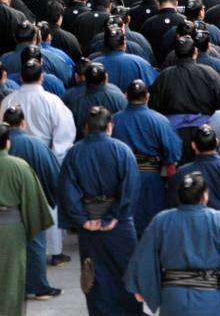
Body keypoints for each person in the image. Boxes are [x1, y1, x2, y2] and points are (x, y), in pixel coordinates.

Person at [124, 171, 220, 316]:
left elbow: (144, 256)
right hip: (209, 298)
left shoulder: (161, 221)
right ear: (205, 195)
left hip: (173, 298)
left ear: (178, 196)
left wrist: (140, 285)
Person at [58, 106, 143, 316]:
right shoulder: (122, 150)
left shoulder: (74, 153)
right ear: (110, 126)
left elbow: (67, 190)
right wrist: (115, 215)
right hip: (119, 223)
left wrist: (83, 219)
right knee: (126, 270)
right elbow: (130, 187)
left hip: (89, 223)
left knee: (95, 274)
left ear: (86, 127)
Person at [111, 79, 183, 236]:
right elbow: (173, 151)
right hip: (151, 177)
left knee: (124, 221)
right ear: (148, 96)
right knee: (151, 223)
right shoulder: (160, 120)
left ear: (126, 96)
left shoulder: (115, 120)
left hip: (122, 176)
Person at [0, 120, 55, 315]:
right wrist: (33, 228)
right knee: (11, 282)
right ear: (8, 142)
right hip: (10, 229)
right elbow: (33, 200)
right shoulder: (19, 166)